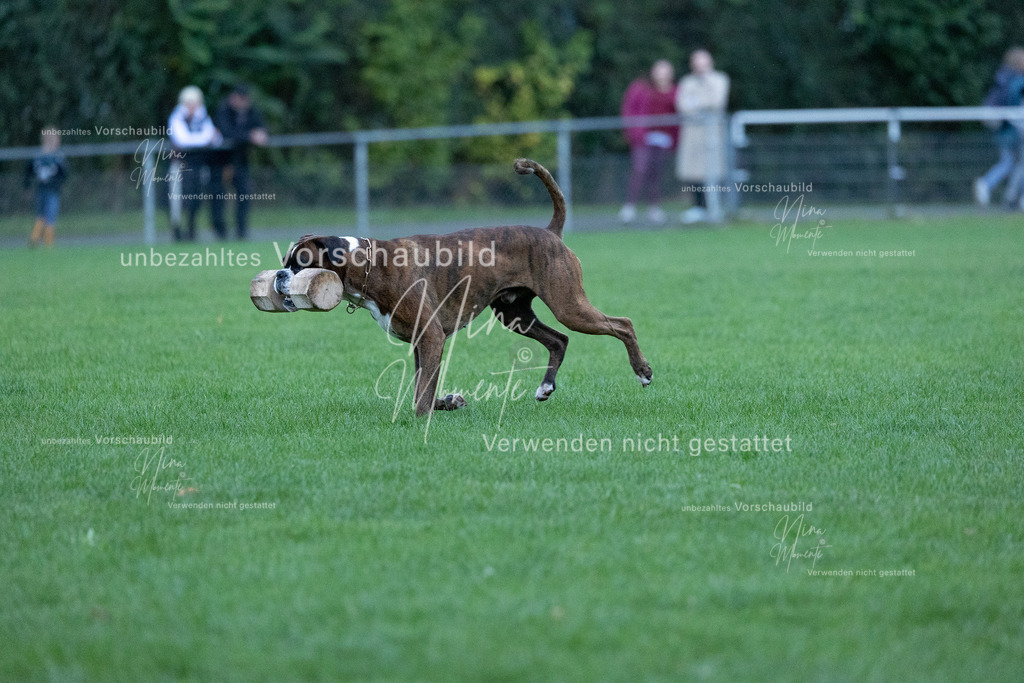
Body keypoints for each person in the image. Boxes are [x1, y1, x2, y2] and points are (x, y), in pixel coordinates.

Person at [619, 59, 678, 224]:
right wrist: (632, 131)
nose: (662, 75)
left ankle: (654, 208)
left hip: (664, 138)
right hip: (643, 137)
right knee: (640, 169)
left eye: (665, 71)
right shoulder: (640, 88)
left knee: (656, 174)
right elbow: (629, 109)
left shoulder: (675, 91)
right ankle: (629, 207)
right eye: (659, 70)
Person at [676, 49, 730, 223]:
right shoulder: (687, 82)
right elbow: (683, 105)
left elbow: (717, 102)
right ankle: (697, 207)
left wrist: (698, 102)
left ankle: (713, 207)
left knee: (713, 170)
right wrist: (701, 106)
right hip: (692, 133)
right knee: (693, 172)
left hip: (713, 133)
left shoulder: (719, 79)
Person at [210, 84, 268, 240]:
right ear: (233, 98)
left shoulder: (251, 111)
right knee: (218, 196)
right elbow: (226, 132)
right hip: (220, 161)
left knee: (244, 194)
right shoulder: (223, 111)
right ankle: (220, 231)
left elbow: (261, 128)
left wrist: (261, 134)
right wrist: (249, 136)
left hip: (240, 161)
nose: (243, 103)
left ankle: (241, 232)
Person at [167, 85, 221, 241]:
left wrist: (208, 138)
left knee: (196, 200)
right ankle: (177, 232)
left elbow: (216, 139)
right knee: (177, 200)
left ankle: (191, 230)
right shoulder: (176, 118)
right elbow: (183, 140)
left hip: (198, 165)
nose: (192, 106)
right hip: (180, 166)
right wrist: (205, 139)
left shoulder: (203, 117)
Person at [975, 47, 1024, 208]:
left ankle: (1010, 195)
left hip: (1009, 129)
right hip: (1012, 130)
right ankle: (990, 185)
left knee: (1014, 163)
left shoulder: (1003, 78)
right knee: (1011, 162)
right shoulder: (1014, 82)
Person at [24, 128, 69, 248]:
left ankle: (40, 239)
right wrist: (27, 187)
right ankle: (41, 241)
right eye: (55, 139)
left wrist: (60, 184)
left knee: (46, 214)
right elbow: (28, 172)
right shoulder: (45, 157)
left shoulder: (56, 156)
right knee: (45, 214)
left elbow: (64, 174)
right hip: (44, 190)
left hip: (51, 190)